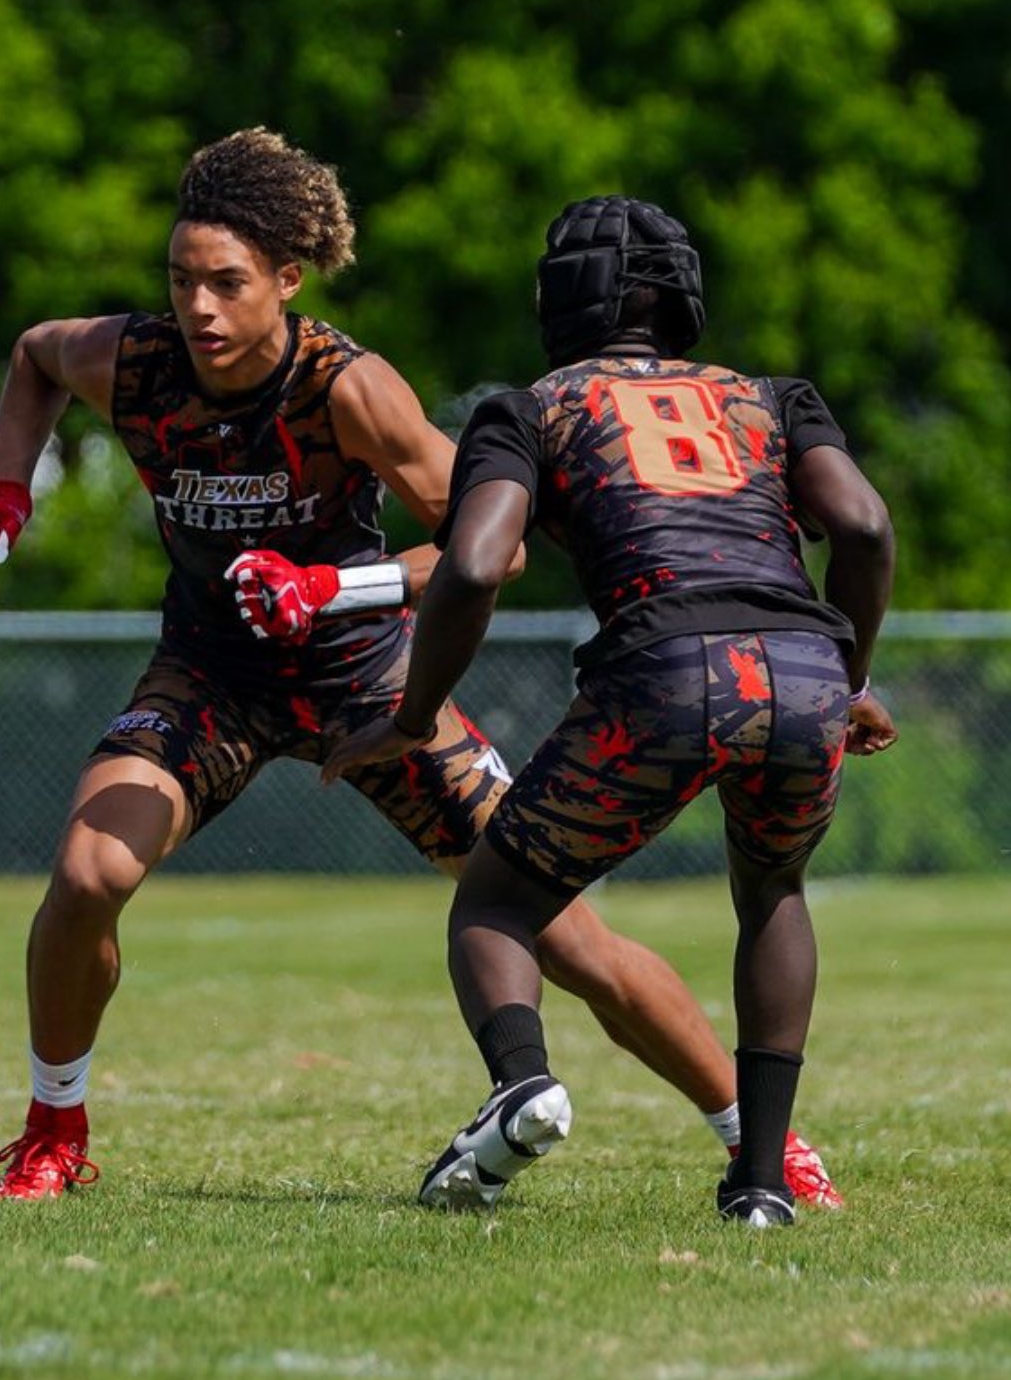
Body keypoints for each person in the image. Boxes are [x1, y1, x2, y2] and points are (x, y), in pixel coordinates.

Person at [0, 137, 844, 1204]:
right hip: (210, 678)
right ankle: (53, 1130)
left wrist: (330, 587)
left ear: (288, 278)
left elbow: (493, 548)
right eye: (180, 280)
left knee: (565, 935)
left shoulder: (346, 387)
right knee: (89, 874)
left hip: (368, 682)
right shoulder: (133, 363)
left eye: (226, 282)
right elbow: (35, 354)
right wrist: (8, 486)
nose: (199, 308)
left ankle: (759, 1139)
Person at [323, 194, 897, 1225]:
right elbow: (862, 526)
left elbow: (475, 564)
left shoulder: (533, 407)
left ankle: (521, 1085)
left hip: (664, 671)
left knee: (498, 902)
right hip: (805, 669)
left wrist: (414, 715)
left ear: (563, 295)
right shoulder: (773, 397)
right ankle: (762, 1182)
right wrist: (848, 679)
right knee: (774, 892)